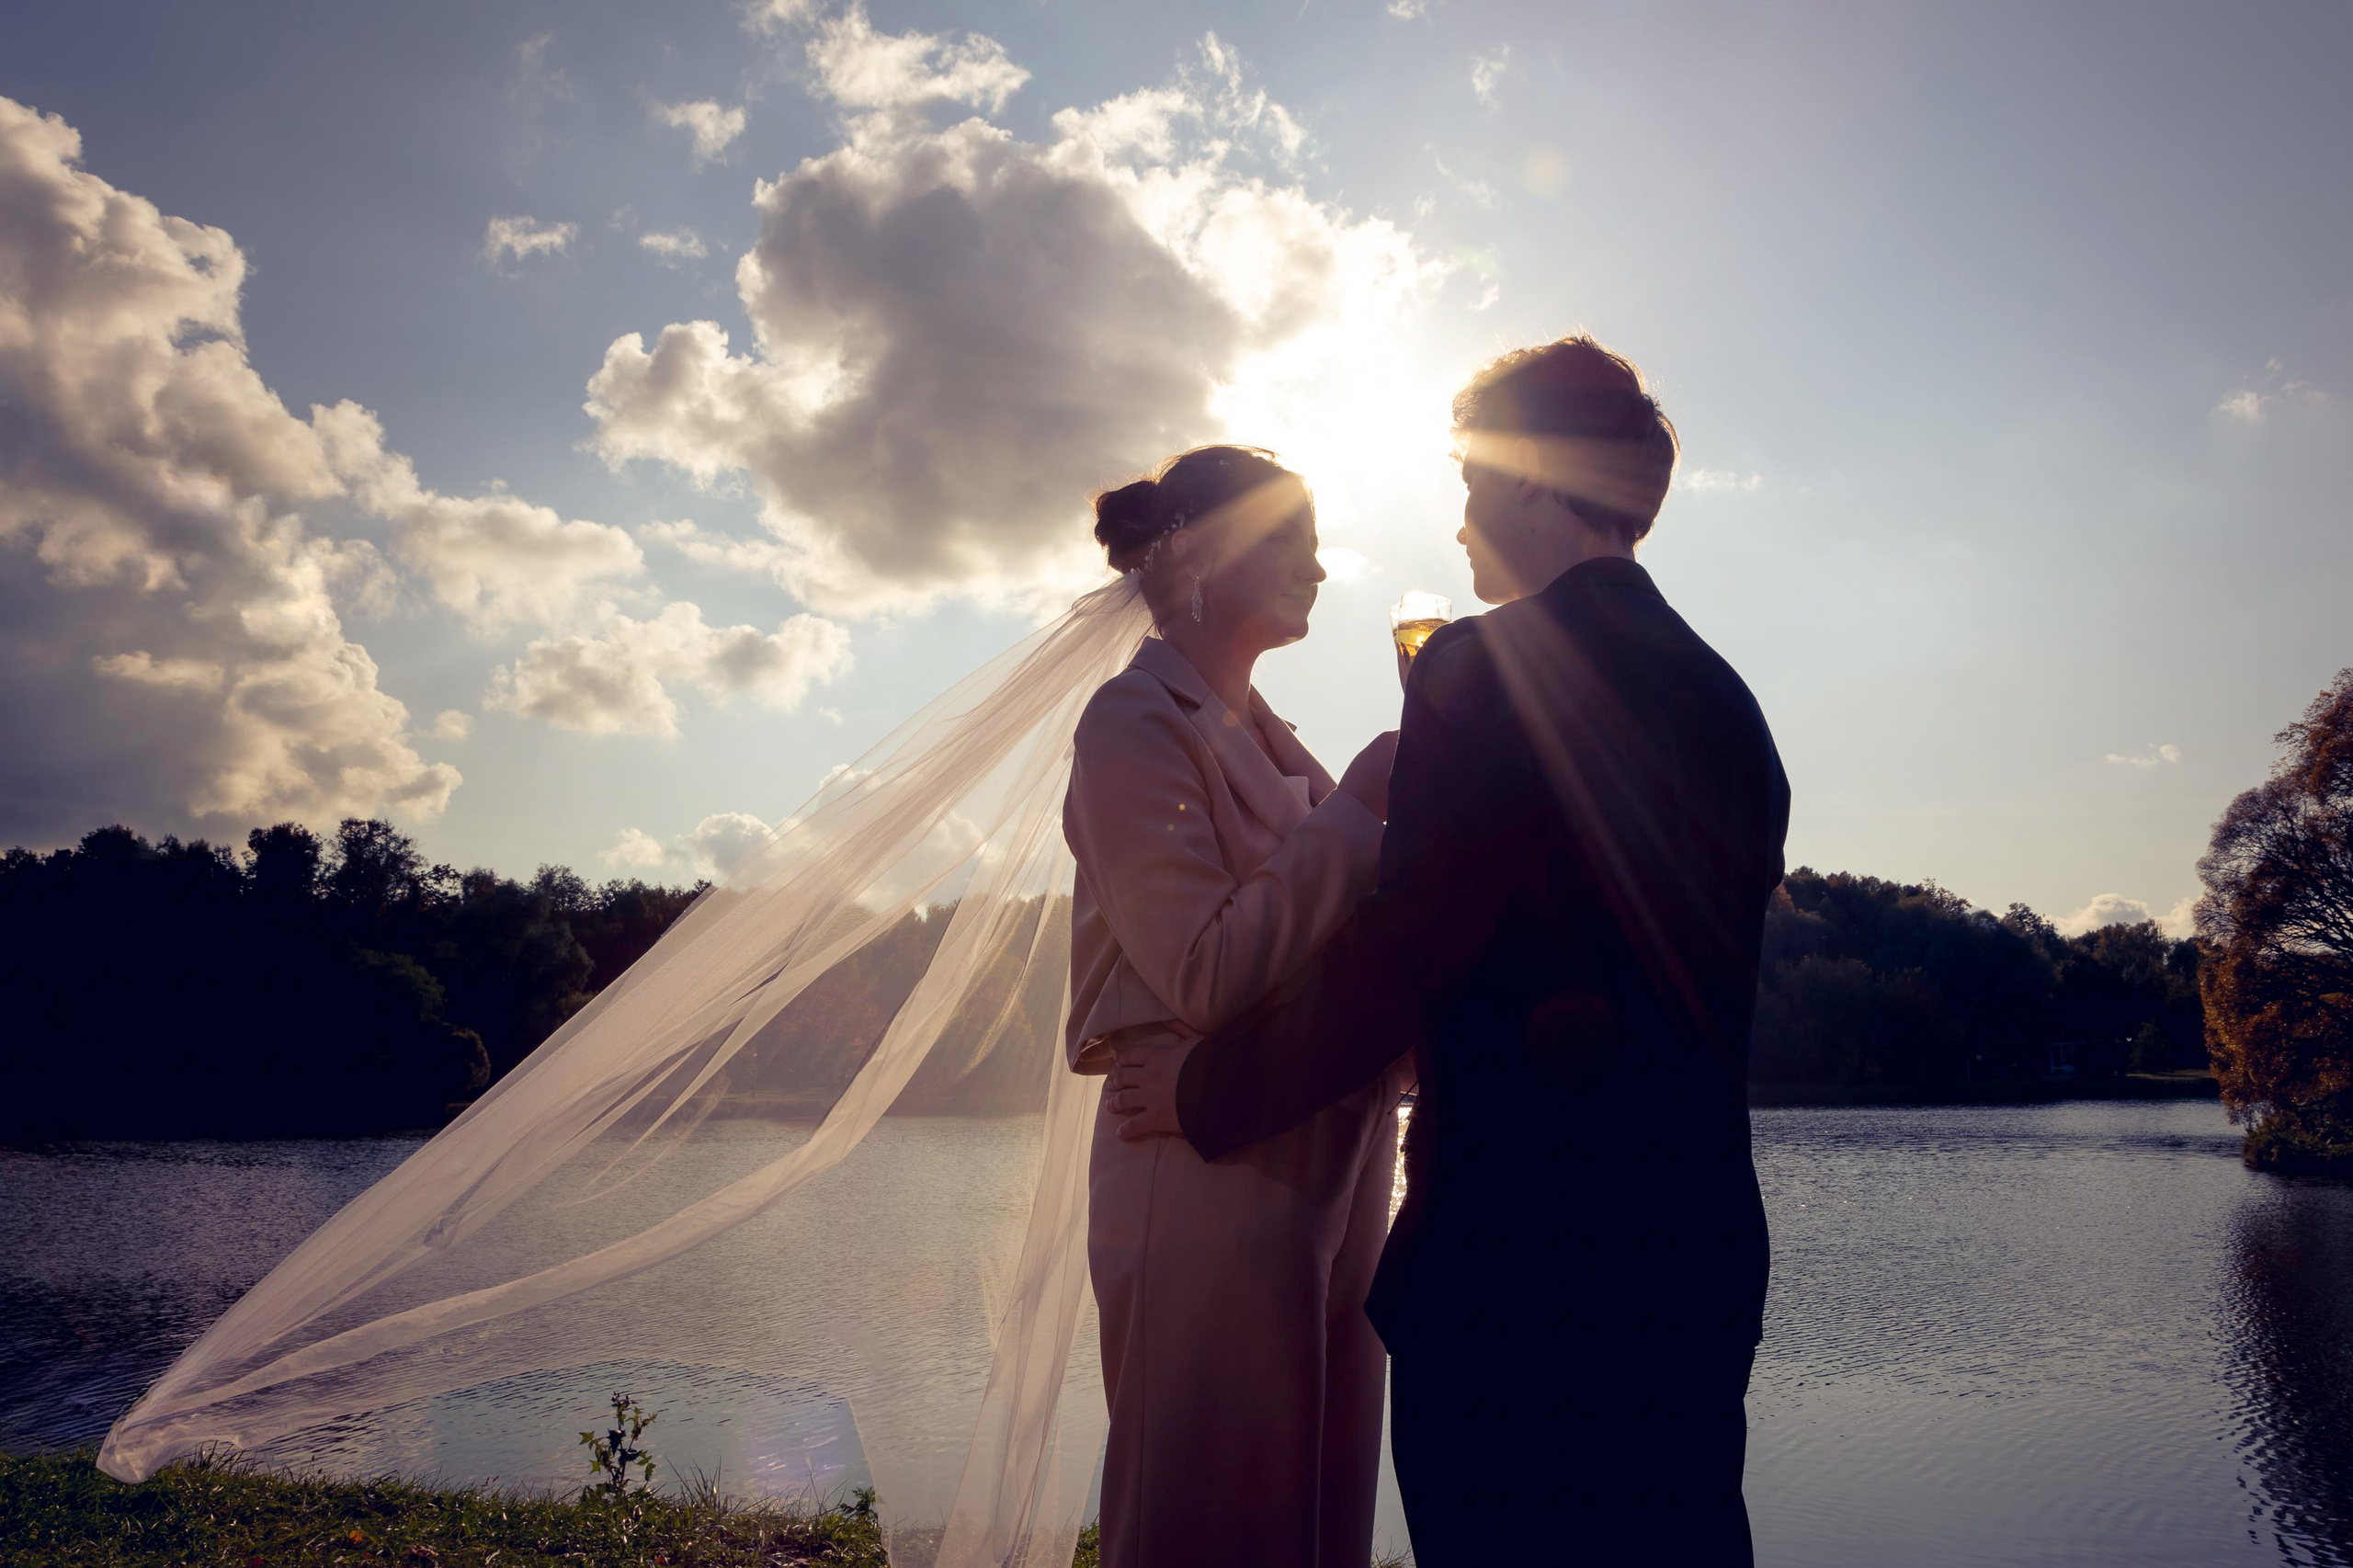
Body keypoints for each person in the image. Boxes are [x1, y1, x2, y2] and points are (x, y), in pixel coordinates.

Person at [1105, 338, 1791, 1567]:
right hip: (1692, 1260)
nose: (1463, 526)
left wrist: (1211, 1087)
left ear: (1533, 480)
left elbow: (1402, 951)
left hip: (1518, 1271)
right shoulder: (1732, 706)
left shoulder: (1483, 666)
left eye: (1473, 485)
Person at [1065, 444, 1410, 1568]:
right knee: (1211, 1509)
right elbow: (1201, 968)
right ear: (1209, 555)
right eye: (1292, 540)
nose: (1318, 567)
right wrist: (1358, 808)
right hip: (1199, 1169)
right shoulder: (1132, 722)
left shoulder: (1274, 737)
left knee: (1318, 1511)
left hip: (1338, 1163)